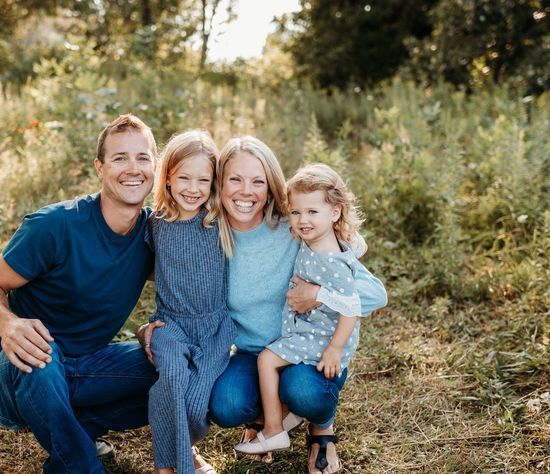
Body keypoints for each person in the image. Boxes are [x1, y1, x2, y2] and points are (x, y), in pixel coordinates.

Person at [140, 136, 386, 474]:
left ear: (270, 188)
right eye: (235, 180)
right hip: (252, 353)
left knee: (304, 391)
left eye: (258, 181)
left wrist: (317, 294)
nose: (246, 192)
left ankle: (321, 427)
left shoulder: (296, 229)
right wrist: (147, 327)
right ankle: (266, 416)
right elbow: (171, 273)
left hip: (306, 351)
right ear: (219, 184)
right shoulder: (209, 232)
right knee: (225, 404)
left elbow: (373, 294)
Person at [0, 114, 159, 474]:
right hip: (21, 371)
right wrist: (9, 326)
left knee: (181, 362)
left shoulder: (154, 234)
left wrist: (155, 327)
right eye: (119, 158)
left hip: (90, 368)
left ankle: (78, 428)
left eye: (142, 157)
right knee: (41, 354)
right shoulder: (54, 226)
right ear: (99, 168)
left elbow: (193, 287)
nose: (132, 168)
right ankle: (81, 466)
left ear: (155, 168)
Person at [234, 163, 374, 474]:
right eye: (296, 213)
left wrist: (335, 348)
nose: (302, 220)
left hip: (322, 339)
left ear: (335, 213)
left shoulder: (331, 260)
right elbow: (352, 245)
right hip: (310, 332)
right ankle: (281, 419)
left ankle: (274, 430)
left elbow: (351, 307)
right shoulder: (314, 241)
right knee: (268, 362)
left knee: (267, 361)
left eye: (312, 212)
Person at [145, 130, 236, 474]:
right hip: (171, 324)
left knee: (196, 405)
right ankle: (171, 467)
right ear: (167, 176)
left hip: (215, 327)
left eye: (203, 179)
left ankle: (185, 451)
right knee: (170, 379)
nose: (192, 188)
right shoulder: (155, 224)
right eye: (183, 177)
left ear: (214, 183)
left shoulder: (220, 220)